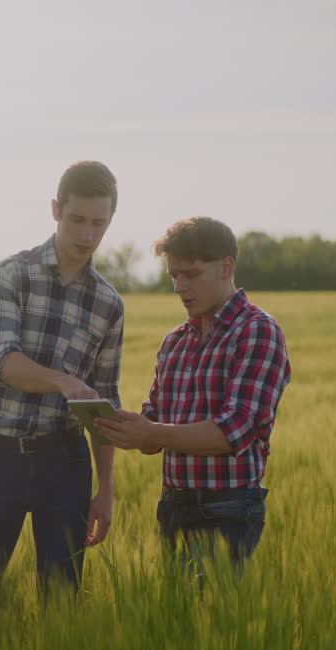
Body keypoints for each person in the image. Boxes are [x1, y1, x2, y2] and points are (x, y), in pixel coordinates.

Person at [0, 161, 124, 628]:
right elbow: (2, 360)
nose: (87, 235)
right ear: (55, 211)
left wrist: (105, 488)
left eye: (99, 223)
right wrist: (63, 381)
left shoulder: (109, 304)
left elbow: (106, 399)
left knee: (62, 604)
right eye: (77, 220)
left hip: (65, 463)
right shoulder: (12, 275)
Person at [94, 217, 290, 576]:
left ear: (226, 267)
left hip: (227, 509)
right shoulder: (175, 341)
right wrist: (121, 426)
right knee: (180, 622)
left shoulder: (257, 331)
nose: (180, 286)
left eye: (191, 274)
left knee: (211, 622)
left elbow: (235, 431)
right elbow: (154, 425)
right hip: (173, 506)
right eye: (174, 276)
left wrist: (151, 433)